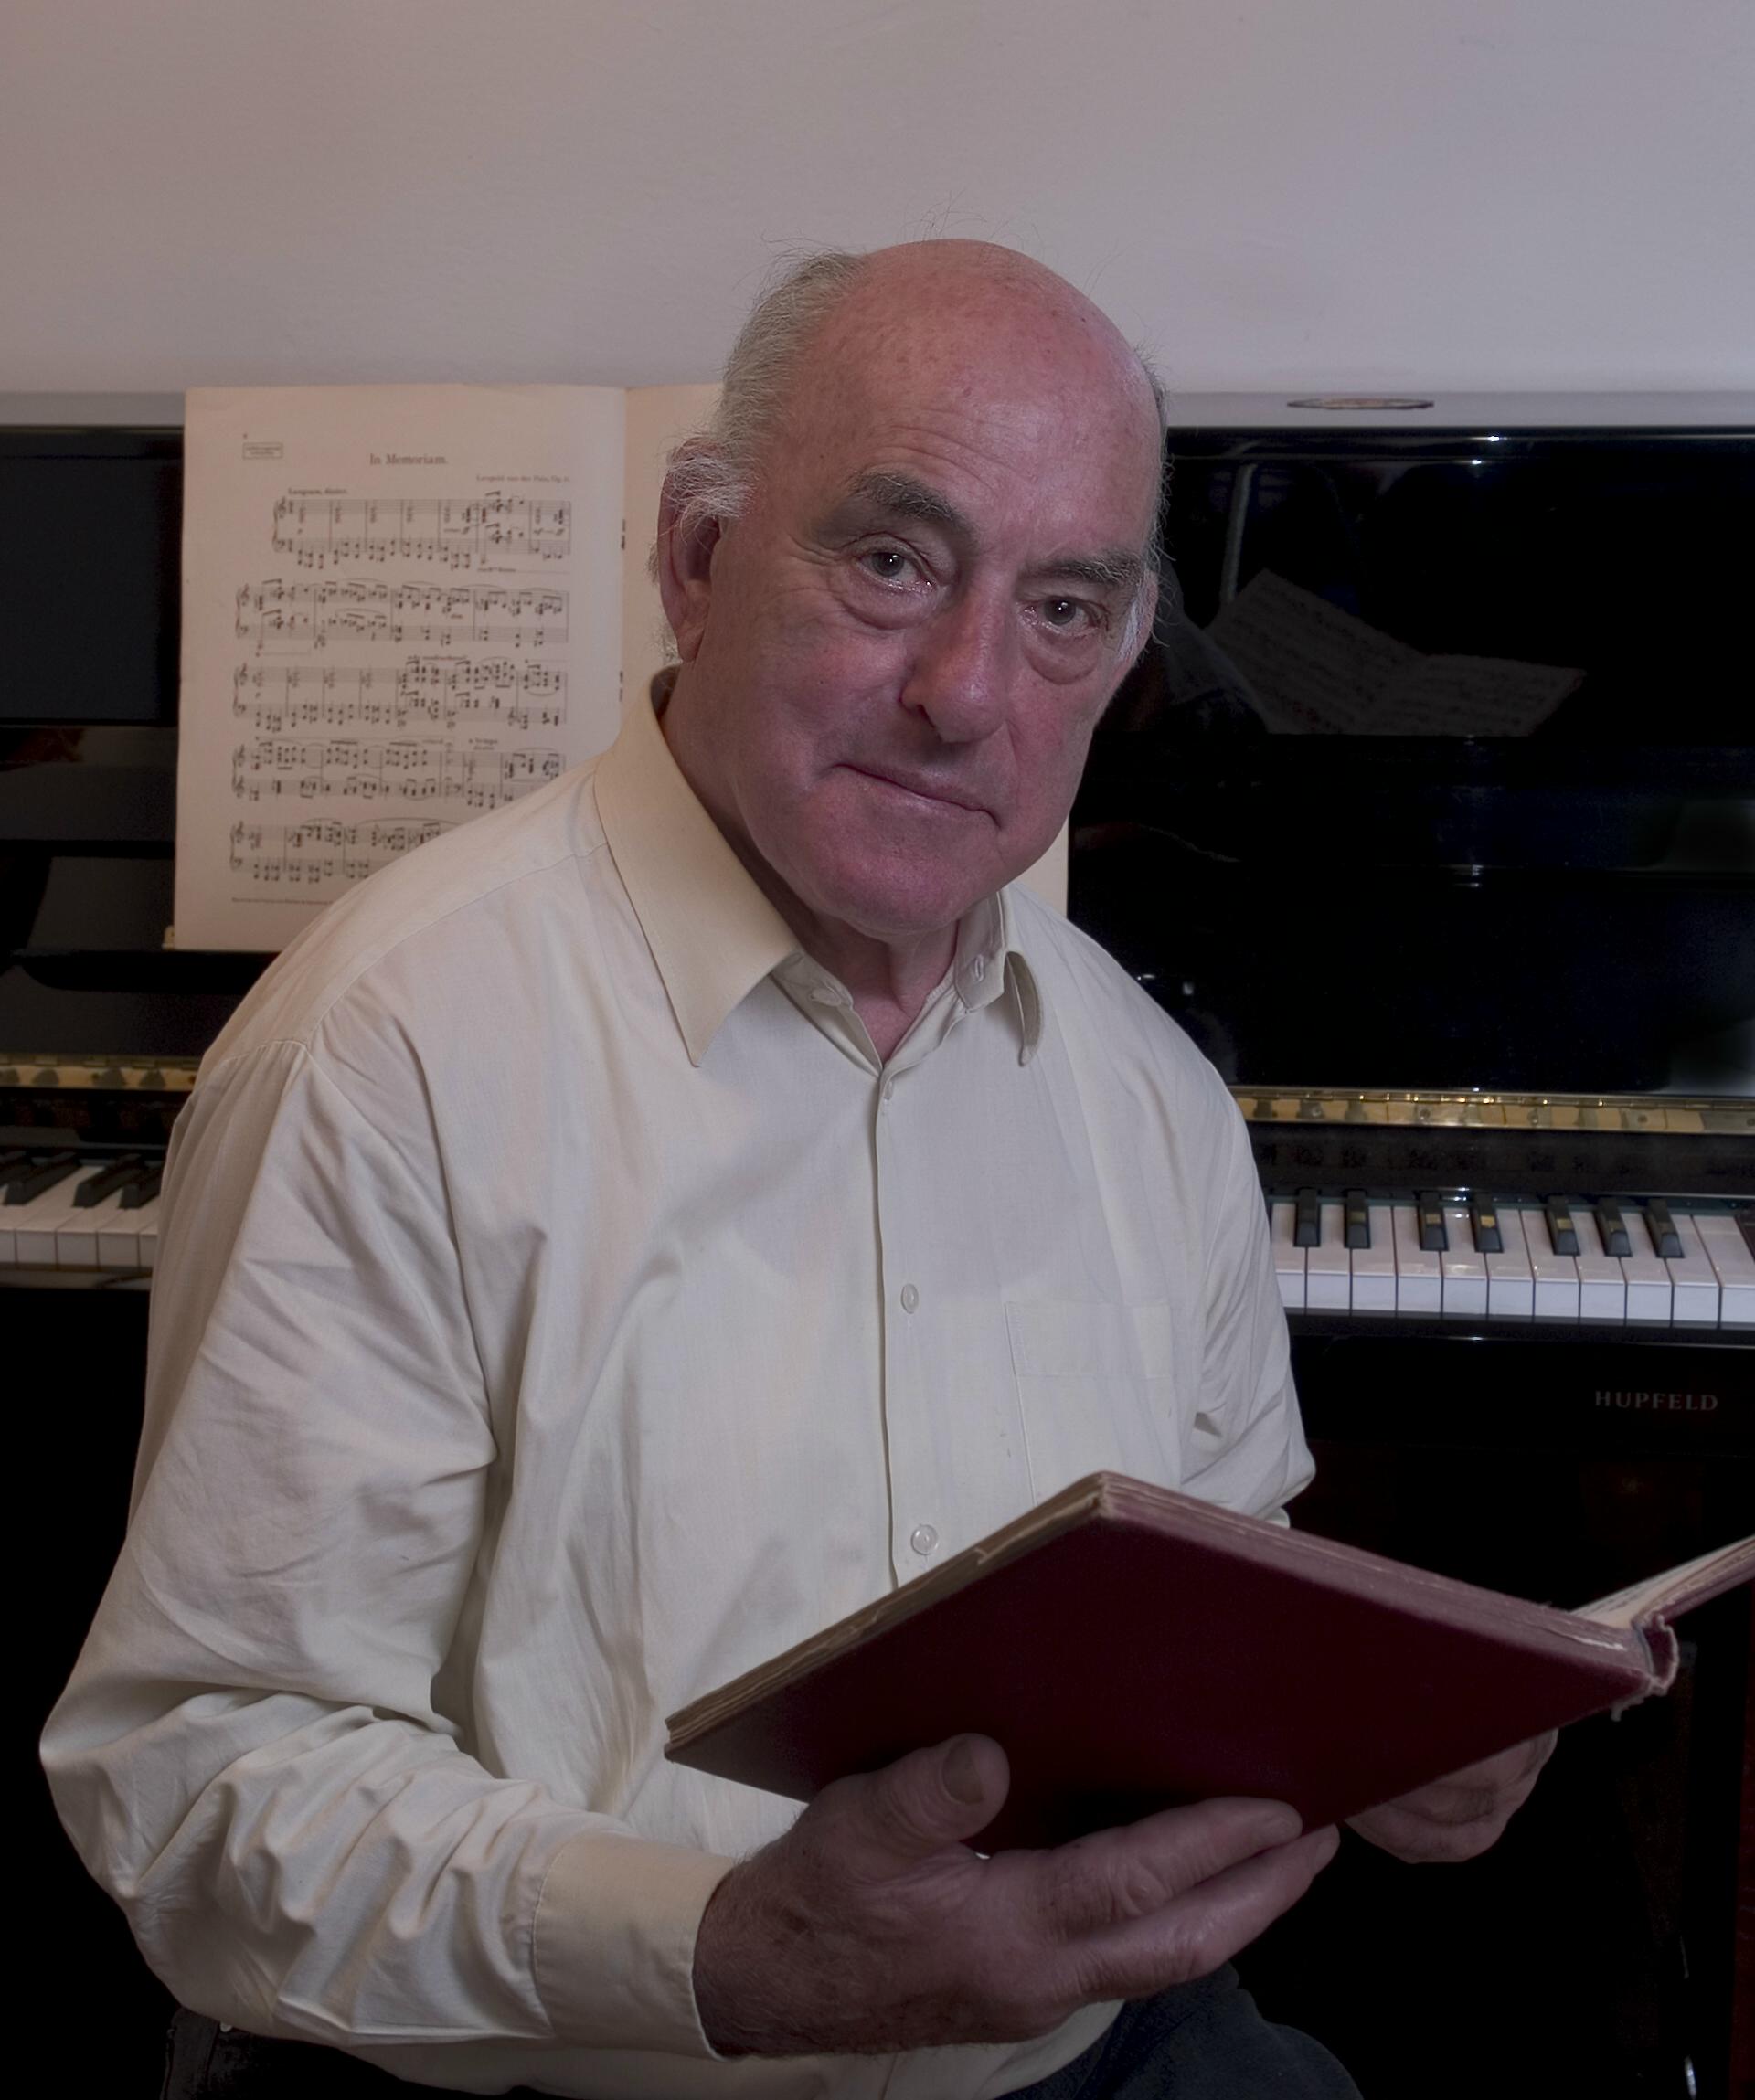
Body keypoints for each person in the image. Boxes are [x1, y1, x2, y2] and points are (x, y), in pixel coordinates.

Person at [44, 241, 1550, 2100]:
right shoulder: (388, 1049)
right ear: (697, 562)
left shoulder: (1151, 1089)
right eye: (894, 561)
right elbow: (210, 1780)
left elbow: (1203, 1607)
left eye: (1063, 607)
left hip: (1096, 2052)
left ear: (1124, 661)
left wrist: (1360, 1716)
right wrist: (734, 1956)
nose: (966, 692)